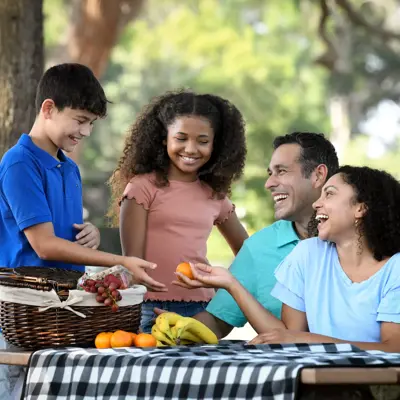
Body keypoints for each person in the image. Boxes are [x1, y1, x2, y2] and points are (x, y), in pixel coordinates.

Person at [0, 64, 166, 399]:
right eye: (80, 120)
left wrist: (87, 233)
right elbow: (45, 245)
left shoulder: (70, 168)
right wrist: (119, 260)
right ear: (49, 108)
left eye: (91, 123)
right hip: (23, 310)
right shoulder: (20, 163)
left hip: (61, 311)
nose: (86, 131)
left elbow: (59, 233)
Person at [179, 166, 400, 352]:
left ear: (361, 208)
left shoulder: (395, 268)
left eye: (330, 194)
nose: (316, 204)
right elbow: (287, 336)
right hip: (316, 379)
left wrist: (311, 339)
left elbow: (393, 348)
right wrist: (231, 284)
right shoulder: (307, 254)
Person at [168, 132, 339, 338]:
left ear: (318, 175)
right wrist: (173, 329)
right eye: (270, 174)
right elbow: (218, 320)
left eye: (281, 171)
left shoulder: (360, 238)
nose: (269, 184)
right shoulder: (259, 247)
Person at [108, 90, 249, 332]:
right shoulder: (142, 188)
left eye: (203, 141)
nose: (191, 149)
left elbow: (248, 254)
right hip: (148, 308)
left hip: (203, 310)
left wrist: (223, 288)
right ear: (164, 138)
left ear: (216, 145)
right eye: (181, 138)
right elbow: (133, 264)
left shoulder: (215, 195)